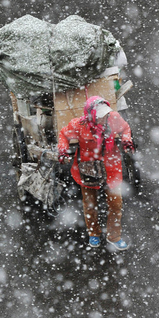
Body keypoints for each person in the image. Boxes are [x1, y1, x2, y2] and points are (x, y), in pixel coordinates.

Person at [58, 96, 134, 251]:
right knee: (90, 204)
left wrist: (127, 140)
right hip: (88, 169)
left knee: (115, 204)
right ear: (91, 115)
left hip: (111, 168)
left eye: (106, 115)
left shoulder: (113, 118)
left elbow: (125, 129)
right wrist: (62, 150)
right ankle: (94, 233)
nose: (104, 119)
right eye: (101, 116)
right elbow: (63, 135)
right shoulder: (79, 125)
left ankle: (114, 236)